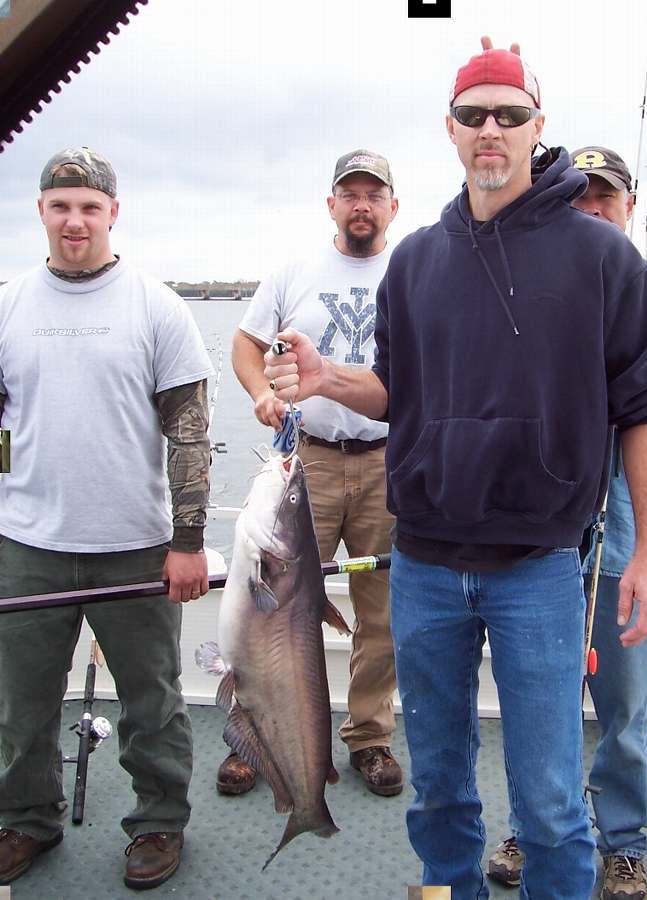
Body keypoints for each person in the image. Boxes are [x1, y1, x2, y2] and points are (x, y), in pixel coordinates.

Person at [265, 46, 647, 900]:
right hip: (422, 564)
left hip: (539, 571)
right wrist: (326, 378)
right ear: (450, 130)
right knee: (440, 786)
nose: (491, 130)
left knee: (552, 801)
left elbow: (643, 409)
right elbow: (395, 393)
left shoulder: (602, 259)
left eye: (509, 114)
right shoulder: (414, 260)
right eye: (474, 114)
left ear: (537, 126)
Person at [487, 146, 647, 900]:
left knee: (623, 712)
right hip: (539, 544)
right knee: (539, 701)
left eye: (605, 200)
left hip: (626, 544)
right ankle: (535, 829)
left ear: (629, 208)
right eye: (577, 200)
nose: (591, 212)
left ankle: (622, 846)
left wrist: (621, 426)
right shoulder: (523, 290)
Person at [0, 148, 214, 890]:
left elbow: (189, 433)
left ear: (113, 213)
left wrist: (188, 541)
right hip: (28, 542)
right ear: (40, 212)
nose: (75, 220)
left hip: (135, 546)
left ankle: (158, 822)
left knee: (152, 704)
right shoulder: (9, 304)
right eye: (61, 205)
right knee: (20, 705)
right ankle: (27, 819)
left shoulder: (156, 306)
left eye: (90, 207)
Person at [223, 149, 403, 798]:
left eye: (372, 194)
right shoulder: (293, 273)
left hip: (389, 462)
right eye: (348, 193)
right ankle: (253, 734)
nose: (361, 204)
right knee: (267, 611)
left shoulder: (409, 271)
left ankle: (370, 735)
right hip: (308, 465)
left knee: (380, 612)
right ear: (331, 204)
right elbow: (246, 345)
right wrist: (259, 395)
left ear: (391, 206)